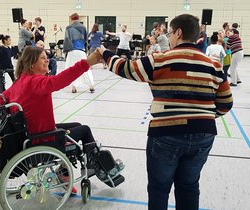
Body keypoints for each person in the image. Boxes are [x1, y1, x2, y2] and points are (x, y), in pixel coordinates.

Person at [98, 14, 233, 210]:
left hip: (166, 133)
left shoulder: (160, 59)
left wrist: (104, 52)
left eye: (170, 33)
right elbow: (226, 103)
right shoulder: (214, 64)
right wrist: (204, 115)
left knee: (159, 188)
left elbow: (125, 68)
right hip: (204, 134)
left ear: (178, 33)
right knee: (189, 186)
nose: (169, 38)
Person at [0, 46, 124, 192]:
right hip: (43, 139)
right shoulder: (35, 82)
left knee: (77, 125)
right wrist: (86, 63)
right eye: (43, 58)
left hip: (31, 133)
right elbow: (59, 81)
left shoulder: (20, 82)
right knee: (84, 130)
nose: (47, 60)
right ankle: (100, 169)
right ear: (32, 63)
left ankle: (66, 172)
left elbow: (2, 100)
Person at [63, 12, 94, 93]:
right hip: (81, 51)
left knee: (71, 69)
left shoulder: (68, 28)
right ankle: (91, 86)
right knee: (85, 68)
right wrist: (86, 50)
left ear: (71, 19)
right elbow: (86, 40)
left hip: (72, 51)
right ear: (78, 18)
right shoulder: (83, 27)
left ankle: (74, 87)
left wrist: (66, 50)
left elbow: (66, 40)